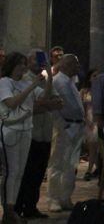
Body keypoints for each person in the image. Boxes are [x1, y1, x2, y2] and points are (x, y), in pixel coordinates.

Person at [1, 52, 56, 223]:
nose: (24, 67)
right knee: (11, 172)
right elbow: (11, 103)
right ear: (12, 65)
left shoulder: (25, 82)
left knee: (19, 172)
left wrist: (49, 78)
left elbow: (44, 96)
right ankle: (9, 210)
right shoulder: (4, 82)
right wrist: (32, 86)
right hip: (11, 131)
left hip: (26, 131)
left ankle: (12, 209)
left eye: (25, 64)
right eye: (20, 64)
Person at [46, 54, 83, 212]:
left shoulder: (70, 82)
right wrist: (63, 126)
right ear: (67, 65)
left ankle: (65, 197)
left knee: (70, 165)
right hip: (65, 127)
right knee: (57, 164)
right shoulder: (57, 82)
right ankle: (53, 199)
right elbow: (53, 108)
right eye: (75, 64)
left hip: (76, 127)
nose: (78, 67)